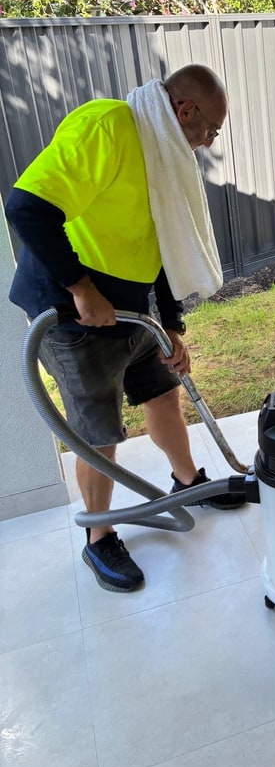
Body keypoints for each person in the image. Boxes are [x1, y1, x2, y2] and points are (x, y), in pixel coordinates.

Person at [5, 63, 246, 594]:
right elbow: (25, 206)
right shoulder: (110, 125)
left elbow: (159, 242)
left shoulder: (162, 156)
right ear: (184, 111)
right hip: (71, 313)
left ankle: (188, 484)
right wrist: (81, 288)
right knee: (99, 434)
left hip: (131, 309)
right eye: (210, 129)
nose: (208, 142)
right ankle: (99, 539)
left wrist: (172, 325)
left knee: (162, 396)